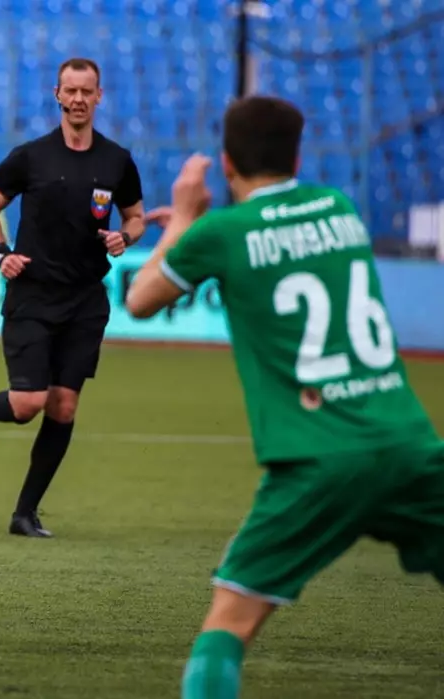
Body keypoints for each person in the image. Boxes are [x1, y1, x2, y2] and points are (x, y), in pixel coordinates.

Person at [126, 95, 443, 699]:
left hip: (317, 459)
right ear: (298, 157)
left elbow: (140, 300)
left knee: (230, 623)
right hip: (408, 443)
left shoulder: (223, 232)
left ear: (226, 163)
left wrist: (186, 217)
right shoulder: (341, 208)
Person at [0, 57, 146, 538]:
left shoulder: (116, 161)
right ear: (57, 95)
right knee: (27, 403)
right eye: (70, 90)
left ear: (99, 96)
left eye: (86, 91)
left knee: (63, 406)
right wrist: (1, 253)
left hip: (85, 300)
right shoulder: (31, 157)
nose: (78, 99)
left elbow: (136, 216)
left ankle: (25, 513)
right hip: (33, 295)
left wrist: (125, 236)